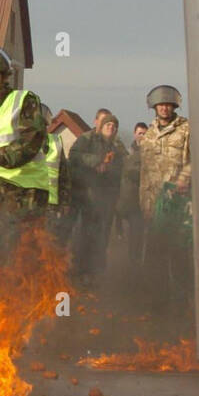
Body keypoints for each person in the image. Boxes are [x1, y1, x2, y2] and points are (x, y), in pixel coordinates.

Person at [0, 45, 60, 266]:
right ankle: (3, 299)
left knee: (25, 256)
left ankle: (27, 299)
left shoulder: (24, 101)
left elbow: (32, 139)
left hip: (25, 192)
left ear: (4, 75)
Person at [139, 85, 193, 298]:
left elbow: (195, 158)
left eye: (168, 104)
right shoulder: (149, 134)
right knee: (154, 256)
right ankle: (157, 301)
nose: (164, 108)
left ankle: (183, 300)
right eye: (160, 104)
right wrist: (143, 203)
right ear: (154, 106)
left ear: (174, 106)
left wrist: (184, 178)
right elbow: (145, 171)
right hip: (154, 205)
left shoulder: (186, 129)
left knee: (179, 254)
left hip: (177, 203)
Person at [70, 114, 125, 280]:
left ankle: (95, 273)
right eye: (108, 124)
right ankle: (78, 270)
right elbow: (74, 156)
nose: (111, 128)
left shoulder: (116, 148)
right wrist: (97, 161)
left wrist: (109, 168)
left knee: (101, 237)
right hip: (85, 194)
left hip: (105, 198)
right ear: (100, 126)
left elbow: (120, 170)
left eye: (114, 126)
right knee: (83, 234)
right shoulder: (87, 139)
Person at [116, 121, 150, 269]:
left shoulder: (152, 153)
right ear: (135, 134)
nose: (142, 136)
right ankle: (133, 263)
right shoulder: (128, 154)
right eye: (139, 133)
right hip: (131, 201)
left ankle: (144, 263)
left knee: (144, 234)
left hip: (148, 199)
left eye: (144, 133)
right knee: (134, 234)